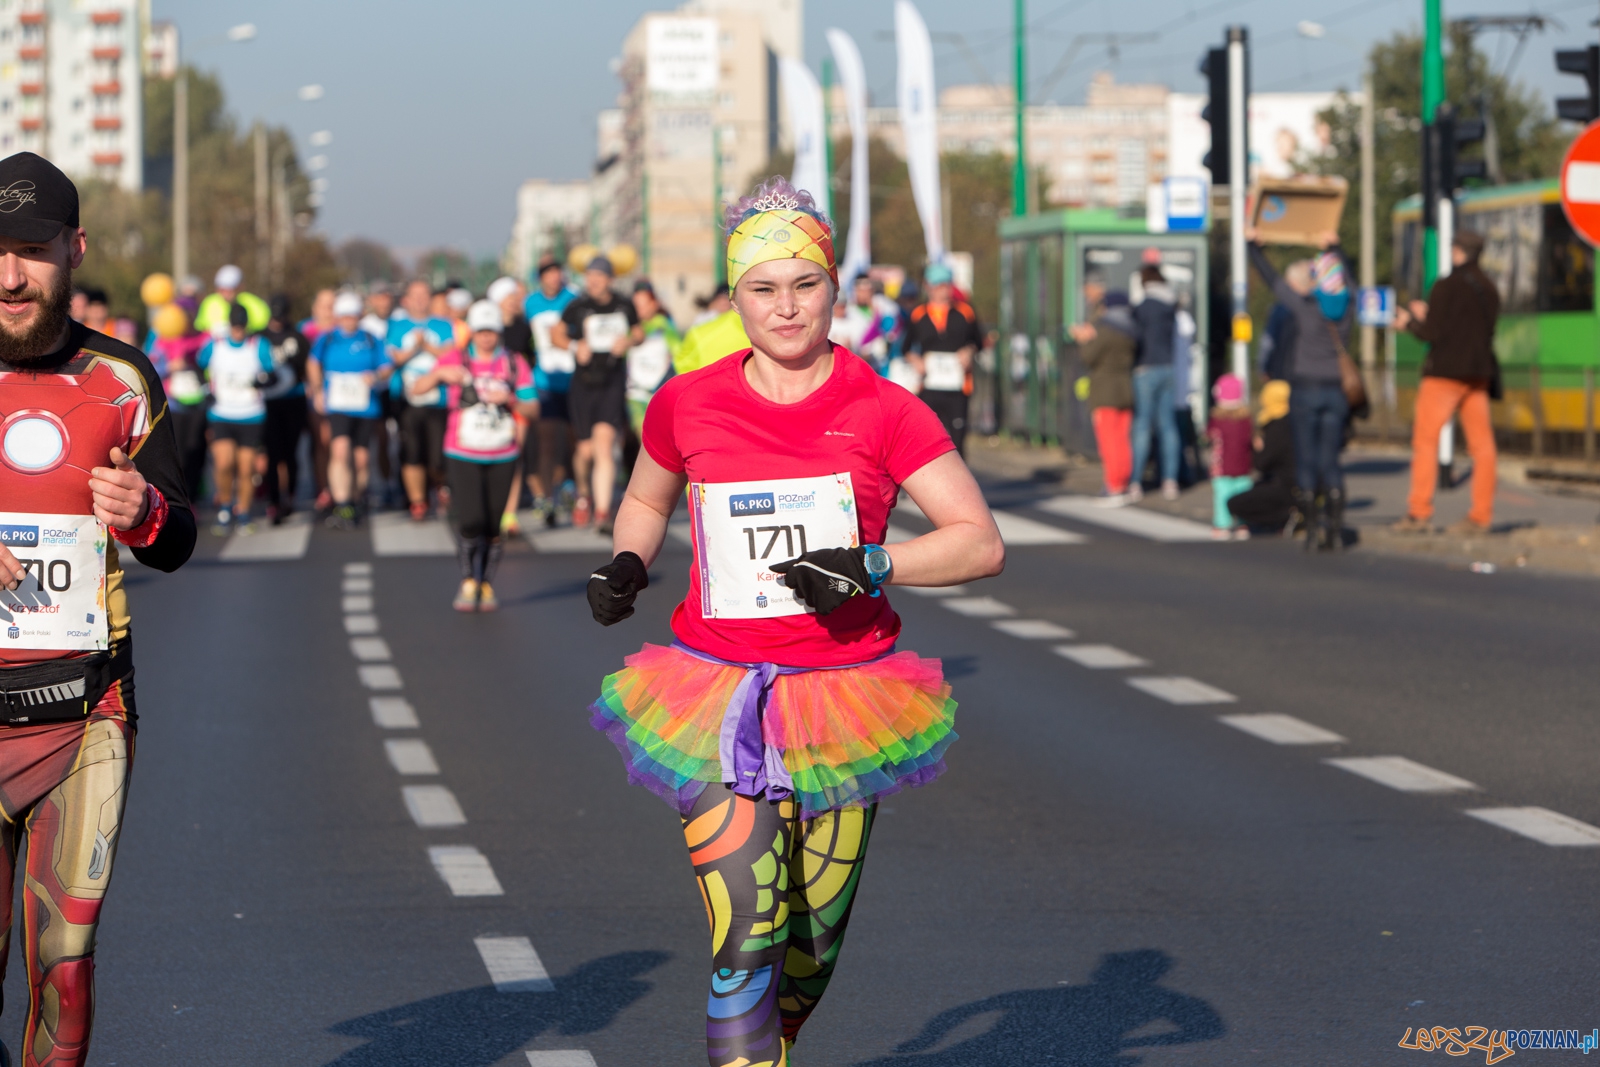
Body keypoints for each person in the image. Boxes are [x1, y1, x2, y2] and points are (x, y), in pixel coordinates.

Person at [584, 175, 1004, 1067]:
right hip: (715, 692)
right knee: (748, 935)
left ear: (834, 290)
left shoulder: (886, 409)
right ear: (733, 296)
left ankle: (781, 1035)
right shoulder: (686, 401)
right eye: (763, 288)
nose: (786, 307)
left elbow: (977, 542)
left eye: (804, 284)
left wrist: (873, 564)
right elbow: (644, 499)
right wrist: (627, 561)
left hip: (846, 699)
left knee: (807, 957)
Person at [0, 150, 196, 1067]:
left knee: (64, 969)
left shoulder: (125, 380)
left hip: (83, 717)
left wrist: (145, 512)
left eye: (32, 251)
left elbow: (180, 530)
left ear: (73, 249)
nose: (10, 275)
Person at [410, 299, 537, 612]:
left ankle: (486, 582)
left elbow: (532, 407)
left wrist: (510, 398)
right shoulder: (456, 358)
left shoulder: (513, 362)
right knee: (470, 519)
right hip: (462, 451)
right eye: (480, 332)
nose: (486, 338)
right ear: (472, 333)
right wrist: (440, 376)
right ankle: (468, 579)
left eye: (491, 331)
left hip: (502, 453)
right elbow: (416, 388)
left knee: (494, 524)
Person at [1246, 228, 1355, 551]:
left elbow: (1273, 281)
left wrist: (1252, 247)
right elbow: (1347, 276)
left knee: (1307, 458)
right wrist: (1335, 247)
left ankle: (1310, 530)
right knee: (1331, 459)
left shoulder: (1304, 307)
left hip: (1305, 389)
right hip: (1336, 391)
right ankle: (1335, 529)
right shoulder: (1347, 310)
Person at [1391, 230, 1501, 535]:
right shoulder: (1490, 289)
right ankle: (1481, 515)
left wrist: (1409, 322)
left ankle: (1419, 511)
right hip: (1478, 375)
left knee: (1426, 440)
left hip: (1444, 374)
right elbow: (1474, 329)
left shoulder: (1446, 286)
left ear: (1457, 252)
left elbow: (1433, 335)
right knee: (1483, 447)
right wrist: (1431, 317)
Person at [552, 255, 640, 532]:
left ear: (609, 279)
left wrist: (628, 341)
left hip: (611, 382)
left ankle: (602, 512)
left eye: (598, 276)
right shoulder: (578, 306)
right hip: (583, 384)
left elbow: (639, 332)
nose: (593, 281)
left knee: (604, 445)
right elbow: (556, 333)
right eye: (589, 276)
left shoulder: (623, 305)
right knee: (585, 450)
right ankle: (582, 494)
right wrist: (573, 346)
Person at [308, 291, 392, 528]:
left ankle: (356, 499)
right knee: (340, 450)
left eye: (352, 316)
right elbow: (313, 363)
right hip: (338, 405)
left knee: (361, 459)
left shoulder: (371, 339)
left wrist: (375, 376)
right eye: (343, 316)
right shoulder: (327, 339)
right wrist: (317, 390)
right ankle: (342, 503)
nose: (348, 321)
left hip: (365, 406)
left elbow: (386, 366)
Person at [198, 302, 275, 535]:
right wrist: (206, 389)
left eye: (242, 326)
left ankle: (243, 512)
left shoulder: (258, 345)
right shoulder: (216, 345)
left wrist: (261, 381)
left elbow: (271, 372)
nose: (238, 330)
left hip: (251, 414)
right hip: (222, 413)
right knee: (224, 463)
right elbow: (199, 365)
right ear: (230, 324)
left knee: (246, 467)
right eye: (235, 326)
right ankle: (224, 506)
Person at [388, 278, 455, 521]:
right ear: (405, 299)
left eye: (424, 294)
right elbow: (391, 358)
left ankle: (439, 484)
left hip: (439, 399)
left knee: (438, 454)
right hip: (407, 399)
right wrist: (413, 349)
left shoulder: (443, 325)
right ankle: (417, 501)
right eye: (414, 295)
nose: (419, 300)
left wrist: (427, 346)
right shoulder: (396, 326)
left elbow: (451, 354)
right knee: (412, 451)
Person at [905, 263, 983, 455]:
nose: (943, 290)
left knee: (957, 438)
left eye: (946, 284)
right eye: (938, 285)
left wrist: (969, 351)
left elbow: (978, 342)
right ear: (928, 287)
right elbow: (905, 347)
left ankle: (958, 482)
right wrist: (916, 360)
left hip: (958, 385)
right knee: (929, 438)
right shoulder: (918, 314)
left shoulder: (965, 312)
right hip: (929, 385)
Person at [525, 255, 578, 525]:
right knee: (546, 443)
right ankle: (547, 498)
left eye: (557, 271)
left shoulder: (573, 298)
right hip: (544, 380)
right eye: (548, 272)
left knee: (573, 441)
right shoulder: (531, 303)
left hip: (572, 379)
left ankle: (571, 486)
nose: (554, 277)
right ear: (541, 277)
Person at [1071, 291, 1137, 505]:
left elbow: (1088, 357)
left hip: (1105, 391)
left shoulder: (1105, 330)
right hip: (1126, 389)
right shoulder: (1132, 329)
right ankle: (1124, 482)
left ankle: (1113, 486)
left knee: (1108, 441)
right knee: (1123, 439)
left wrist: (1084, 339)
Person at [148, 304, 209, 503]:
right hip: (173, 405)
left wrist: (195, 362)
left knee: (197, 450)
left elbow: (212, 363)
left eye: (189, 315)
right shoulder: (161, 341)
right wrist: (171, 366)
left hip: (198, 403)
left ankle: (194, 494)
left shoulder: (203, 338)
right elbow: (151, 367)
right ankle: (182, 499)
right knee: (179, 453)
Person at [1129, 264, 1180, 500]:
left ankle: (1136, 481)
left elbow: (1135, 339)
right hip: (1168, 367)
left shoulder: (1142, 308)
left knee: (1142, 426)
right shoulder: (1171, 305)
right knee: (1168, 426)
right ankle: (1170, 480)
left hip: (1146, 368)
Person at [260, 295, 310, 525]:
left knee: (290, 453)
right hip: (268, 403)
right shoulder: (261, 338)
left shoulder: (298, 338)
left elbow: (305, 369)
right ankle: (274, 501)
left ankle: (289, 494)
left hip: (293, 401)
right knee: (272, 453)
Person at [1227, 379, 1297, 534]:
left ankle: (1285, 517)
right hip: (1302, 483)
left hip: (1285, 486)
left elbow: (1261, 463)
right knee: (1257, 488)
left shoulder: (1276, 427)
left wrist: (1257, 448)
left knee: (1234, 503)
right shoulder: (1297, 421)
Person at [627, 279, 679, 437]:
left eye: (644, 304)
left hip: (657, 393)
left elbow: (678, 354)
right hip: (634, 394)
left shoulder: (664, 326)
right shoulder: (630, 327)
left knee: (657, 436)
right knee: (641, 436)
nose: (640, 309)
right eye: (636, 305)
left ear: (654, 304)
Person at [1206, 373, 1253, 540]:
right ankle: (1242, 523)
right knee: (1242, 495)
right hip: (1243, 466)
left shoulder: (1217, 420)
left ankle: (1222, 525)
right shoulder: (1246, 420)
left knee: (1222, 497)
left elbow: (1209, 436)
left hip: (1222, 466)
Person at [674, 283, 750, 375]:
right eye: (720, 301)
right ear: (714, 302)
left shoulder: (702, 331)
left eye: (727, 302)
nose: (724, 305)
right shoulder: (705, 322)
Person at [194, 264, 269, 338]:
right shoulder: (209, 303)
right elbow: (200, 328)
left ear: (240, 287)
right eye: (222, 290)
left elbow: (264, 326)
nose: (226, 294)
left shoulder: (253, 303)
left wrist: (243, 329)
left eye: (230, 289)